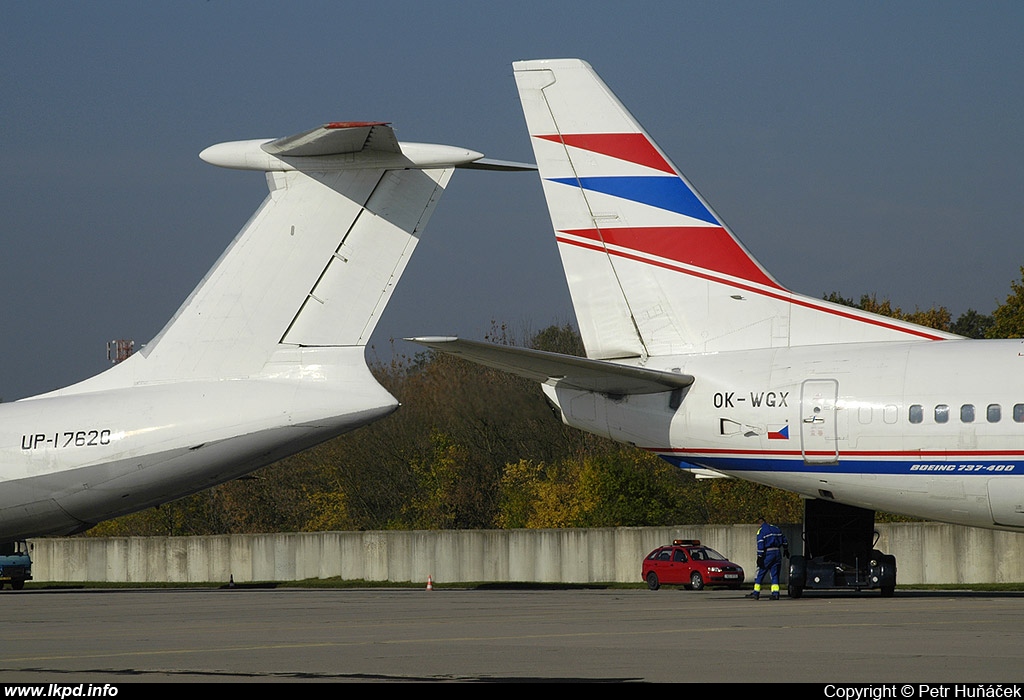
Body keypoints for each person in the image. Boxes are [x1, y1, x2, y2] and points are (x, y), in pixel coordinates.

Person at [747, 516, 789, 600]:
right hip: (777, 552)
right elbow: (784, 539)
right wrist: (786, 549)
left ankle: (756, 593)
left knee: (761, 573)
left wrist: (759, 556)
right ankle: (775, 593)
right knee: (775, 574)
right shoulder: (776, 528)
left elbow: (761, 544)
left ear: (759, 523)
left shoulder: (761, 531)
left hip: (768, 553)